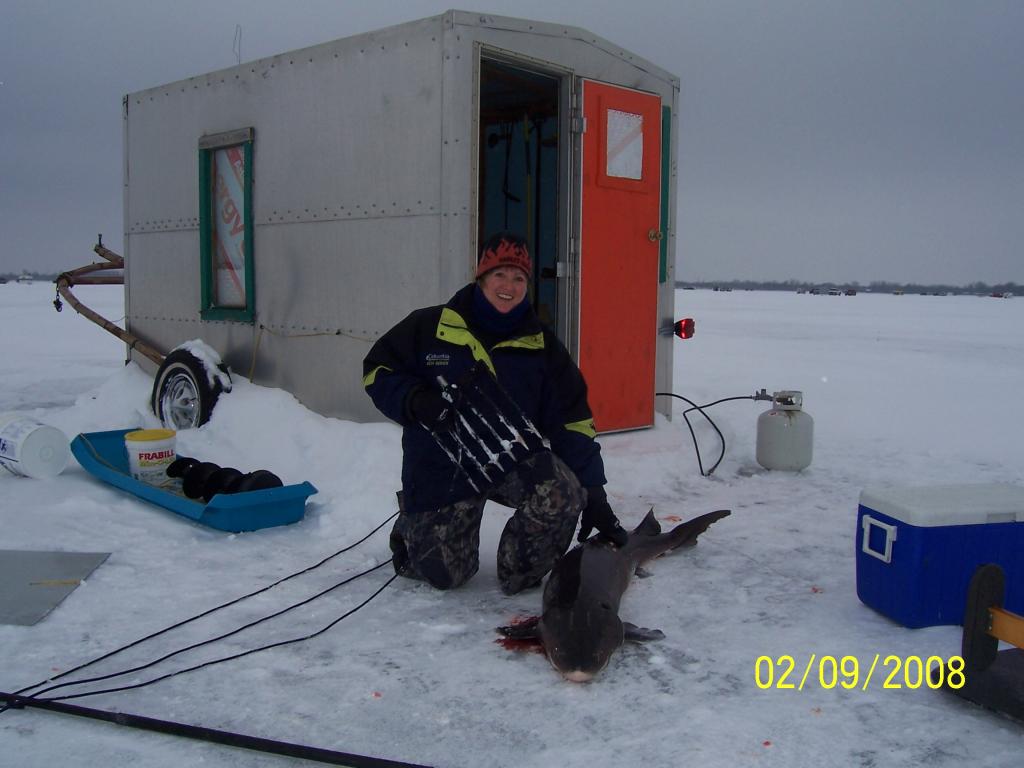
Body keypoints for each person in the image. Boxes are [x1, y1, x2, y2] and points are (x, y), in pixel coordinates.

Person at [362, 231, 627, 594]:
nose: (508, 286)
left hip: (510, 458)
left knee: (563, 493)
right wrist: (414, 400)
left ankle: (519, 571)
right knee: (446, 577)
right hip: (444, 465)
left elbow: (572, 421)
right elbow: (378, 370)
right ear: (481, 277)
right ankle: (414, 527)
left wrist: (594, 492)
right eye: (499, 274)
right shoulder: (428, 326)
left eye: (518, 278)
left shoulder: (543, 346)